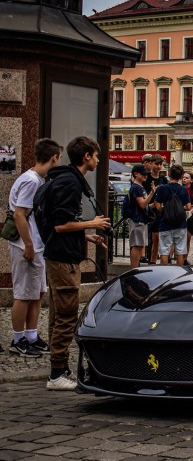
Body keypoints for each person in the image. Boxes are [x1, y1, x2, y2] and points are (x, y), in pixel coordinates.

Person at [43, 136, 110, 390]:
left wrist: (87, 235)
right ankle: (57, 373)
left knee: (58, 314)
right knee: (67, 315)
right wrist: (92, 223)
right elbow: (60, 225)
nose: (97, 160)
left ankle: (58, 368)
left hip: (62, 253)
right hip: (63, 258)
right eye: (96, 156)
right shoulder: (70, 183)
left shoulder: (66, 178)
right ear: (86, 156)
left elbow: (63, 224)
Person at [7, 138, 62, 357]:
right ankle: (18, 339)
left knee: (36, 293)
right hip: (26, 245)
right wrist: (28, 245)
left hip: (35, 244)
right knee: (23, 294)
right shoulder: (31, 181)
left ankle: (31, 335)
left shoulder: (36, 179)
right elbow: (19, 214)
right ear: (54, 157)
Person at [154, 164, 191, 265]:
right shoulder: (183, 189)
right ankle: (179, 273)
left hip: (165, 222)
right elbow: (188, 207)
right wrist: (179, 208)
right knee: (180, 250)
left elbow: (157, 205)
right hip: (180, 223)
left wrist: (165, 208)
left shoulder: (162, 188)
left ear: (169, 174)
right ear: (181, 176)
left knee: (164, 250)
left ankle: (165, 273)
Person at [127, 164, 155, 268]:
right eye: (143, 174)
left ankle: (135, 268)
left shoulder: (139, 187)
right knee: (137, 245)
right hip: (137, 219)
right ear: (136, 174)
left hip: (140, 219)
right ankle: (134, 269)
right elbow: (142, 204)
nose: (145, 176)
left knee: (139, 245)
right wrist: (152, 193)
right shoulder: (136, 188)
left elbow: (144, 205)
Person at [143, 154, 168, 264]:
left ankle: (153, 260)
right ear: (151, 163)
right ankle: (143, 257)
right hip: (147, 208)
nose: (158, 166)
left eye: (160, 164)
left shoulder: (163, 179)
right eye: (156, 164)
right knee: (145, 237)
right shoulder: (146, 177)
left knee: (156, 237)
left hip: (158, 210)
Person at [182, 171, 193, 261]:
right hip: (181, 212)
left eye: (186, 178)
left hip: (191, 213)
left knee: (188, 238)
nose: (184, 179)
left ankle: (185, 257)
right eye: (183, 177)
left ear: (192, 180)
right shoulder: (181, 189)